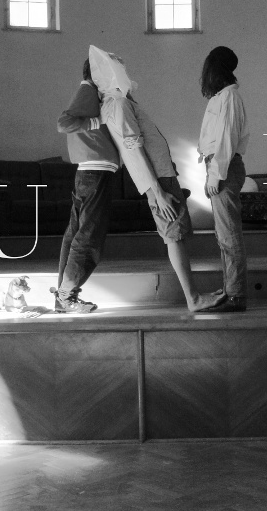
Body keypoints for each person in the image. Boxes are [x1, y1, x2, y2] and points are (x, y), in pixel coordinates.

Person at [90, 46, 225, 313]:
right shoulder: (118, 104)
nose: (124, 70)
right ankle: (193, 299)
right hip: (158, 181)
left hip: (162, 176)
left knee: (177, 235)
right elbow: (133, 150)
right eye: (119, 66)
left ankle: (194, 297)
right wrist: (157, 192)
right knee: (174, 236)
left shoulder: (120, 102)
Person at [51, 60, 123, 313]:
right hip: (96, 172)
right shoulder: (88, 89)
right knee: (88, 237)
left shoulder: (92, 92)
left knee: (76, 235)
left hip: (90, 172)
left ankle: (63, 297)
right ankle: (66, 296)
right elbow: (64, 123)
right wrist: (98, 121)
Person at [196, 46, 249, 312]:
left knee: (229, 235)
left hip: (224, 169)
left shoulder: (229, 96)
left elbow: (226, 139)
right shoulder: (222, 96)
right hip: (220, 167)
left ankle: (236, 295)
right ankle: (230, 289)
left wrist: (216, 175)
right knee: (224, 235)